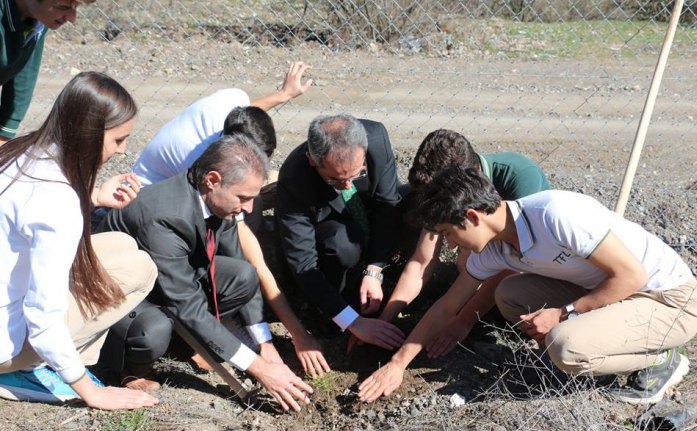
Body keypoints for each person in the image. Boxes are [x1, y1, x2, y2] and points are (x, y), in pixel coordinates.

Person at [358, 166, 697, 405]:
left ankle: (661, 360)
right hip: (618, 294)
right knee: (510, 294)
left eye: (449, 233)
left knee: (565, 346)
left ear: (473, 217)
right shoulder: (493, 249)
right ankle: (602, 339)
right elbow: (448, 306)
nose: (449, 246)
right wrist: (398, 364)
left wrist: (564, 314)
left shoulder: (556, 214)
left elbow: (632, 277)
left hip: (669, 301)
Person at [98, 134, 321, 412]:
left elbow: (241, 266)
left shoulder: (216, 201)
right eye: (243, 197)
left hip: (168, 275)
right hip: (121, 295)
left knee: (242, 276)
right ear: (213, 180)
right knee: (152, 331)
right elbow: (185, 305)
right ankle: (132, 367)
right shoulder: (164, 216)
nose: (250, 208)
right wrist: (259, 369)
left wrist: (265, 345)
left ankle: (186, 342)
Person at [0, 71, 159, 410]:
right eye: (118, 140)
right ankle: (47, 369)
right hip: (5, 346)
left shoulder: (23, 151)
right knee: (141, 271)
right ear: (88, 133)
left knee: (121, 244)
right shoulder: (59, 203)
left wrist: (96, 196)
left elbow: (32, 213)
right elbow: (43, 319)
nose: (123, 150)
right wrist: (93, 393)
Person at [374, 129, 550, 356]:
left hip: (531, 267)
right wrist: (385, 319)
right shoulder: (439, 193)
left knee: (473, 259)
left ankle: (491, 317)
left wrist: (462, 320)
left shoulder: (520, 176)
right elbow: (421, 262)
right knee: (467, 256)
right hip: (485, 267)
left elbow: (513, 263)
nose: (450, 245)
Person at [276, 114, 406, 350]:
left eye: (355, 175)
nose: (348, 186)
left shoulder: (376, 137)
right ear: (313, 161)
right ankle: (337, 308)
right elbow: (303, 263)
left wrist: (375, 269)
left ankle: (394, 277)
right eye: (336, 180)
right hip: (334, 227)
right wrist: (353, 322)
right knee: (341, 245)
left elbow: (387, 205)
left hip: (369, 214)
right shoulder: (294, 179)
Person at [132, 61, 312, 187]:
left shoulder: (232, 101)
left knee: (271, 179)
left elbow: (246, 113)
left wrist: (284, 94)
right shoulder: (200, 161)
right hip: (147, 200)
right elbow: (211, 201)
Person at [1, 0, 94, 143]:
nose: (72, 18)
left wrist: (6, 130)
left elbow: (26, 67)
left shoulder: (38, 17)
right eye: (63, 7)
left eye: (76, 8)